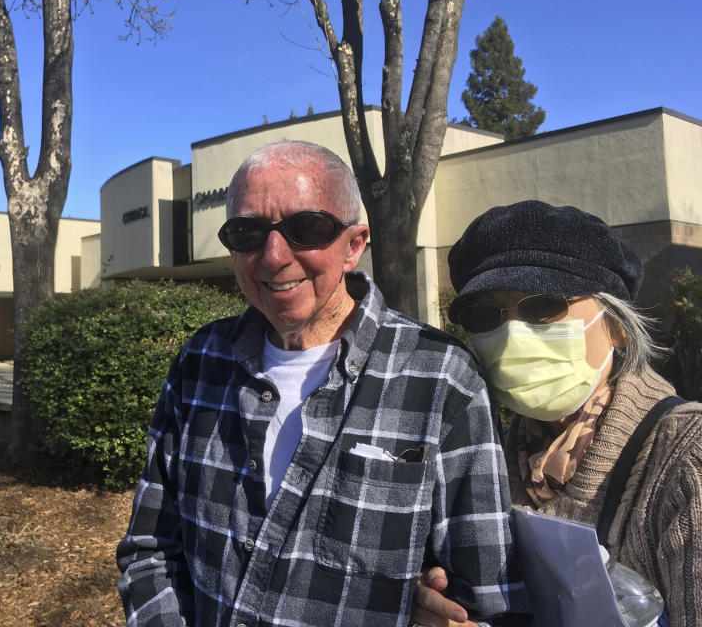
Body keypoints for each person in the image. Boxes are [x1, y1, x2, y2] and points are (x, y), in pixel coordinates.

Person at [116, 141, 528, 627]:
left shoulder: (442, 379)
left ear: (354, 245)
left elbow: (487, 598)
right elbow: (151, 551)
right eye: (247, 232)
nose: (273, 256)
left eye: (305, 228)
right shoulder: (200, 362)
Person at [412, 200, 702, 627]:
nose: (513, 333)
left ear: (617, 323)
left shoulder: (684, 455)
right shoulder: (486, 449)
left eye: (542, 305)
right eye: (486, 314)